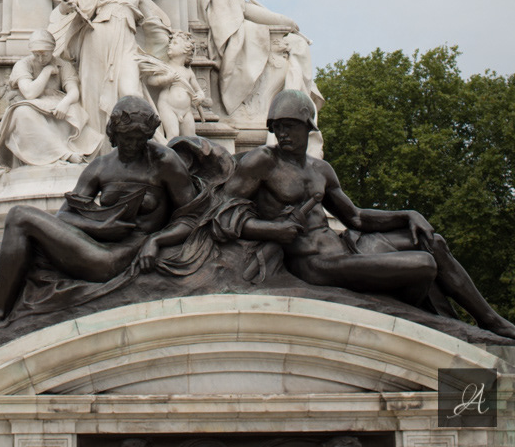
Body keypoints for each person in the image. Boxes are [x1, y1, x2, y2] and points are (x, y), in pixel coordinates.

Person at [0, 96, 202, 347]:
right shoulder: (102, 167)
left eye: (139, 138)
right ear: (113, 134)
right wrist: (100, 227)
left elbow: (193, 217)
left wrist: (156, 241)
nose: (133, 145)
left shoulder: (164, 163)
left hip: (118, 259)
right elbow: (66, 217)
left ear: (148, 134)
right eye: (126, 138)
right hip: (93, 247)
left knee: (20, 216)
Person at [216, 89, 515, 338]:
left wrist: (407, 215)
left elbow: (356, 218)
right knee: (424, 264)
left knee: (432, 242)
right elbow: (221, 212)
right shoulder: (262, 161)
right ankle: (434, 321)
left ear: (308, 125)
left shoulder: (321, 169)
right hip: (314, 263)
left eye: (289, 125)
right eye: (277, 126)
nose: (282, 133)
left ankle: (489, 320)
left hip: (346, 247)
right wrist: (273, 230)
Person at [194, 0, 322, 136]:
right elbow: (232, 16)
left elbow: (238, 9)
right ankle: (281, 111)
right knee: (294, 47)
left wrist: (280, 20)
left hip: (233, 31)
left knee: (295, 47)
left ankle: (290, 110)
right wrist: (281, 20)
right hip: (227, 35)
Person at [48, 0, 171, 137]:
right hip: (96, 40)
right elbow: (65, 8)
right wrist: (66, 4)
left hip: (126, 45)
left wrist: (166, 45)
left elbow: (154, 22)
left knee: (132, 92)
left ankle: (141, 141)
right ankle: (98, 140)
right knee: (94, 91)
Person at [0, 28, 102, 176]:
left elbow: (73, 91)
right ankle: (64, 154)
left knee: (72, 111)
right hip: (32, 106)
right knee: (21, 113)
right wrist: (47, 71)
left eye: (45, 54)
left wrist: (65, 103)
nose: (40, 59)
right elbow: (29, 93)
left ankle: (67, 151)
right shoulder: (23, 65)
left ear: (52, 50)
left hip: (56, 106)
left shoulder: (63, 65)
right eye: (36, 55)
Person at [138, 31, 213, 139]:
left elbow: (198, 90)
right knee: (173, 135)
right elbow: (150, 81)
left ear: (185, 49)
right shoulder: (165, 67)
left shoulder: (188, 71)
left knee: (191, 137)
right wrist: (167, 79)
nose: (170, 45)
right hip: (168, 107)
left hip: (186, 110)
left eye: (175, 43)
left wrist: (200, 97)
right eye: (170, 43)